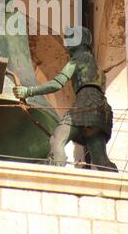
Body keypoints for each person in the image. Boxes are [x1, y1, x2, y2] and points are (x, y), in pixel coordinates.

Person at [13, 27, 118, 172]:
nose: (67, 43)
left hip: (84, 104)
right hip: (101, 109)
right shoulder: (95, 64)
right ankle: (115, 185)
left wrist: (28, 91)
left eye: (71, 39)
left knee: (57, 140)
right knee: (100, 159)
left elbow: (57, 83)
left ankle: (56, 175)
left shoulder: (78, 59)